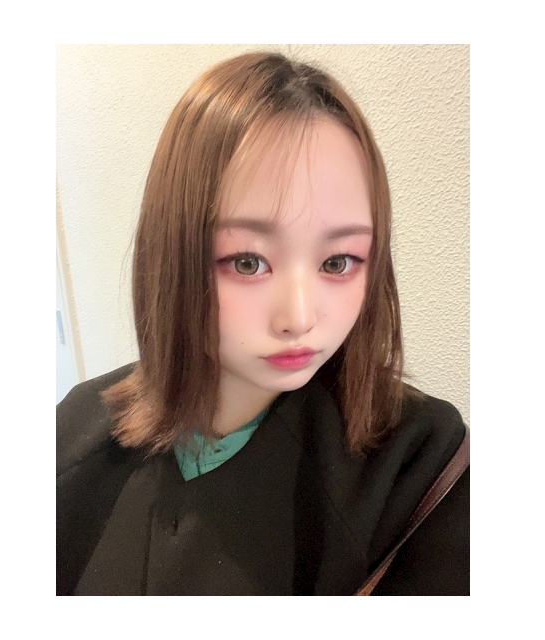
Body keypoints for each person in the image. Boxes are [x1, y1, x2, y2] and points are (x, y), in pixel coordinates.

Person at [56, 51, 469, 596]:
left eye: (337, 262)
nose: (299, 317)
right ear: (173, 254)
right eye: (248, 262)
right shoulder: (72, 431)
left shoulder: (423, 469)